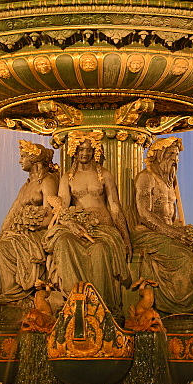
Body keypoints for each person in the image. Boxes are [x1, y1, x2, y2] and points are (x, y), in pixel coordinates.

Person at [131, 137, 193, 315]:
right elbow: (144, 213)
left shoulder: (171, 182)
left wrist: (183, 231)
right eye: (171, 154)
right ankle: (180, 308)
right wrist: (173, 233)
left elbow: (174, 216)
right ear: (160, 156)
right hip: (148, 233)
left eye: (177, 155)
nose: (175, 159)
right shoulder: (146, 177)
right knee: (184, 258)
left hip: (170, 232)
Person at [45, 131, 131, 313]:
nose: (85, 153)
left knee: (100, 250)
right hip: (77, 226)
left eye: (89, 149)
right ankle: (73, 300)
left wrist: (126, 238)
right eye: (81, 149)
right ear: (74, 151)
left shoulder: (104, 175)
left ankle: (101, 305)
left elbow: (115, 206)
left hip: (103, 228)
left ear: (95, 152)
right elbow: (62, 208)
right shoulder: (67, 177)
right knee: (63, 243)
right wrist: (70, 224)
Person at [0, 140, 60, 307]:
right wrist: (4, 233)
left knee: (2, 249)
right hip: (21, 234)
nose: (20, 161)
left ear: (34, 159)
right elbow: (13, 212)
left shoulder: (47, 181)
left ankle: (13, 299)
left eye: (23, 157)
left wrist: (26, 224)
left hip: (39, 233)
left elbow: (50, 216)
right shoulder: (26, 186)